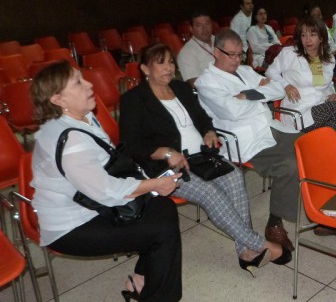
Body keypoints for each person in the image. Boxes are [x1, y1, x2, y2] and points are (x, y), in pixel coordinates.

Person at [119, 43, 291, 274]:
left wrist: (209, 131)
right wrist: (166, 152)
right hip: (165, 167)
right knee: (212, 194)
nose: (169, 67)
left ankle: (246, 251)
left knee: (234, 177)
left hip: (200, 157)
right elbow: (131, 145)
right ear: (145, 68)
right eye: (161, 63)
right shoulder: (134, 100)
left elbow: (201, 118)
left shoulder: (180, 88)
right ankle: (260, 244)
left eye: (171, 61)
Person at [30, 61, 182, 301]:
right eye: (79, 83)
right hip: (72, 227)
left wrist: (147, 185)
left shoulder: (82, 117)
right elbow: (106, 191)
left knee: (162, 208)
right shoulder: (70, 142)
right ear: (58, 100)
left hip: (90, 205)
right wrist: (154, 184)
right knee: (161, 228)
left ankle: (142, 279)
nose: (89, 84)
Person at [195, 29, 301, 252]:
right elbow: (232, 111)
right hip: (245, 139)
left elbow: (277, 88)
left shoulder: (245, 70)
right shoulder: (206, 83)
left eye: (239, 54)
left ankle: (318, 204)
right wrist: (259, 91)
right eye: (230, 54)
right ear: (216, 52)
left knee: (313, 146)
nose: (236, 60)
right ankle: (274, 223)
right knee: (290, 165)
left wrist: (247, 94)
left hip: (270, 127)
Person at [266, 18, 336, 145]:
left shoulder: (328, 58)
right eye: (303, 35)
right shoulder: (289, 54)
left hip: (320, 107)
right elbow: (270, 72)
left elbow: (328, 84)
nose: (307, 40)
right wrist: (287, 86)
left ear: (321, 37)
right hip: (298, 112)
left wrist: (332, 94)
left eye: (312, 35)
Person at [176, 10, 216, 87]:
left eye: (207, 24)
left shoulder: (221, 41)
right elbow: (195, 83)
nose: (204, 29)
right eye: (199, 25)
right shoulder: (186, 53)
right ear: (191, 29)